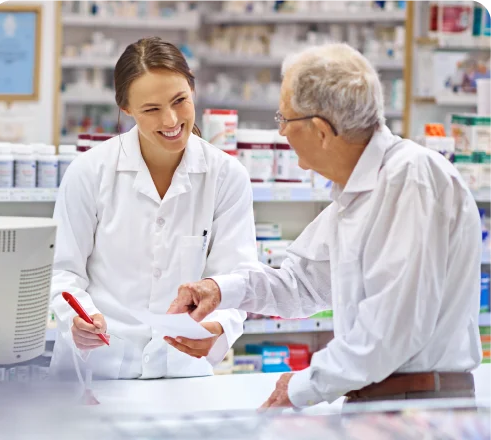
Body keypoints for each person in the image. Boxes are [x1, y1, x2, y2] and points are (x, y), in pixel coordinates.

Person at [168, 43, 482, 408]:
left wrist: (302, 387)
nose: (282, 133)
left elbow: (391, 333)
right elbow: (300, 284)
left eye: (284, 119)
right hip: (383, 403)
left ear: (319, 129)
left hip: (419, 407)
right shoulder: (359, 192)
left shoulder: (409, 180)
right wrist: (220, 289)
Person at [49, 37, 258, 380]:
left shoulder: (226, 175)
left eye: (180, 101)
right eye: (151, 109)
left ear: (193, 91)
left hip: (182, 372)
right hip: (98, 370)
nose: (171, 119)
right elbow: (62, 271)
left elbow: (237, 277)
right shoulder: (90, 172)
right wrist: (78, 319)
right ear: (127, 109)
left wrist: (218, 328)